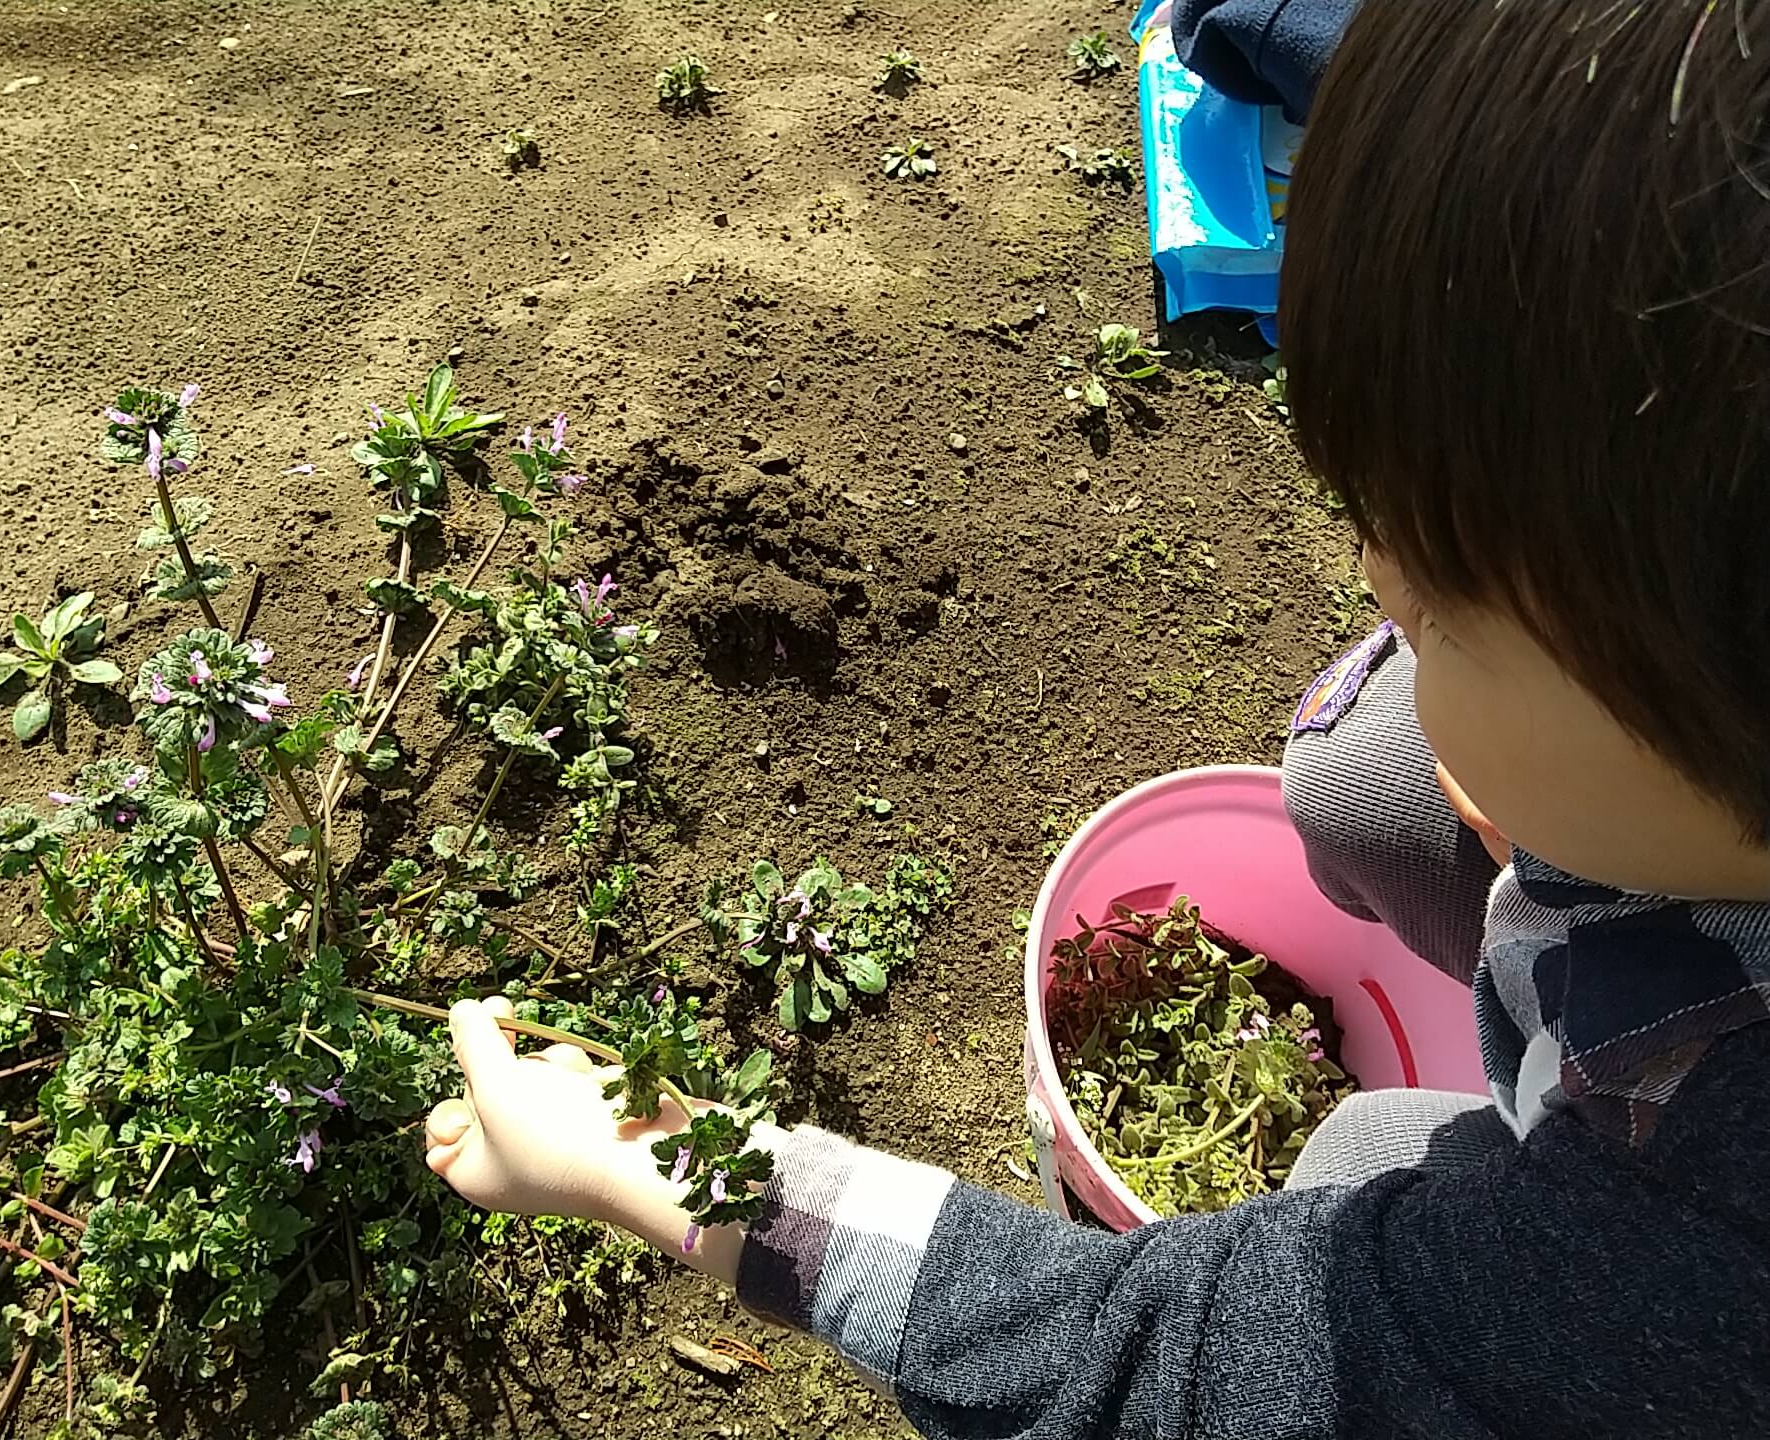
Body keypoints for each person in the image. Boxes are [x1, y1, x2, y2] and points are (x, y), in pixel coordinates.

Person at [422, 2, 1770, 1433]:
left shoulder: (1689, 1268)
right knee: (1371, 775)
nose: (1375, 580)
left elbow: (1146, 1364)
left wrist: (672, 1169)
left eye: (1443, 597)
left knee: (1354, 1169)